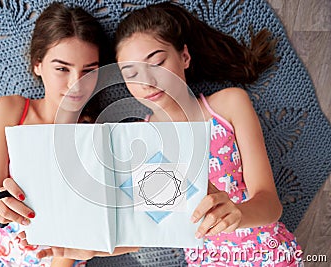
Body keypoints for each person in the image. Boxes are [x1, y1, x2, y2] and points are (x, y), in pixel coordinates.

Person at [114, 2, 302, 266]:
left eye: (156, 63)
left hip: (268, 255)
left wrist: (236, 213)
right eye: (131, 74)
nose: (146, 82)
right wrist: (90, 250)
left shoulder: (229, 105)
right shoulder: (143, 139)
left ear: (185, 57)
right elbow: (151, 228)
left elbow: (271, 205)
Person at [0, 2, 107, 266]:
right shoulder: (11, 111)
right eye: (62, 68)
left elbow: (75, 241)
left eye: (88, 71)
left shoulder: (94, 136)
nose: (75, 84)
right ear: (38, 64)